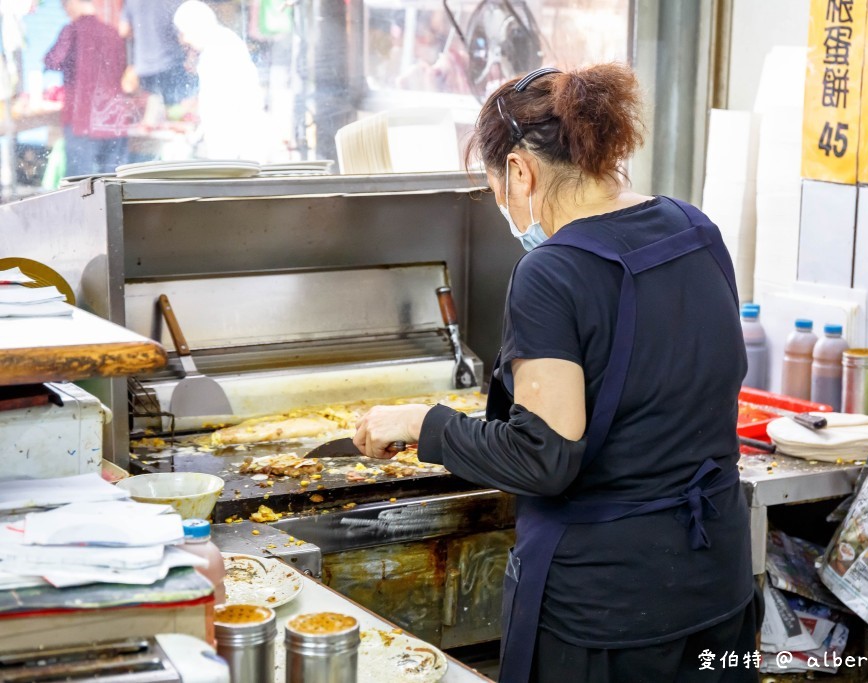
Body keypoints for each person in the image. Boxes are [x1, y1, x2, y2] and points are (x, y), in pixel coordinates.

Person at [353, 64, 759, 683]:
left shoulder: (553, 273)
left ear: (521, 170)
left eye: (497, 191)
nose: (506, 209)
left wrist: (423, 424)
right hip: (720, 589)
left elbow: (545, 456)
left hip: (609, 620)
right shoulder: (694, 228)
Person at [45, 0, 135, 176]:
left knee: (80, 187)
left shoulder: (72, 31)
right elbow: (122, 71)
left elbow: (52, 61)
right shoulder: (113, 33)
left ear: (73, 4)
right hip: (113, 120)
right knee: (113, 186)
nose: (66, 12)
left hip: (82, 120)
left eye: (65, 6)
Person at [172, 0, 268, 160]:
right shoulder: (220, 43)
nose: (185, 39)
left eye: (185, 32)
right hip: (233, 142)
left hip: (234, 144)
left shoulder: (220, 48)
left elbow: (222, 107)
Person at [119, 0, 196, 107]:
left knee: (155, 113)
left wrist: (143, 34)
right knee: (178, 111)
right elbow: (185, 31)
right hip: (172, 64)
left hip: (144, 68)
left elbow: (124, 30)